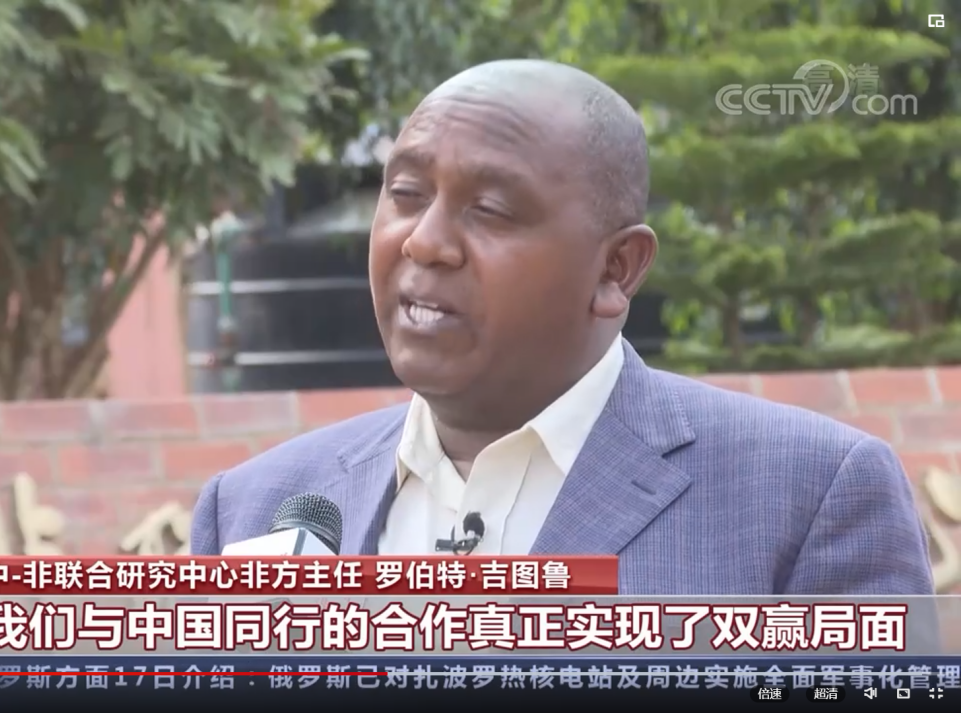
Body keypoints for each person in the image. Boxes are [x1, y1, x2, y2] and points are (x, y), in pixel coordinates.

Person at [190, 59, 934, 594]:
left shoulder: (808, 498)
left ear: (616, 269)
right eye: (407, 193)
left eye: (490, 209)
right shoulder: (251, 509)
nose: (424, 242)